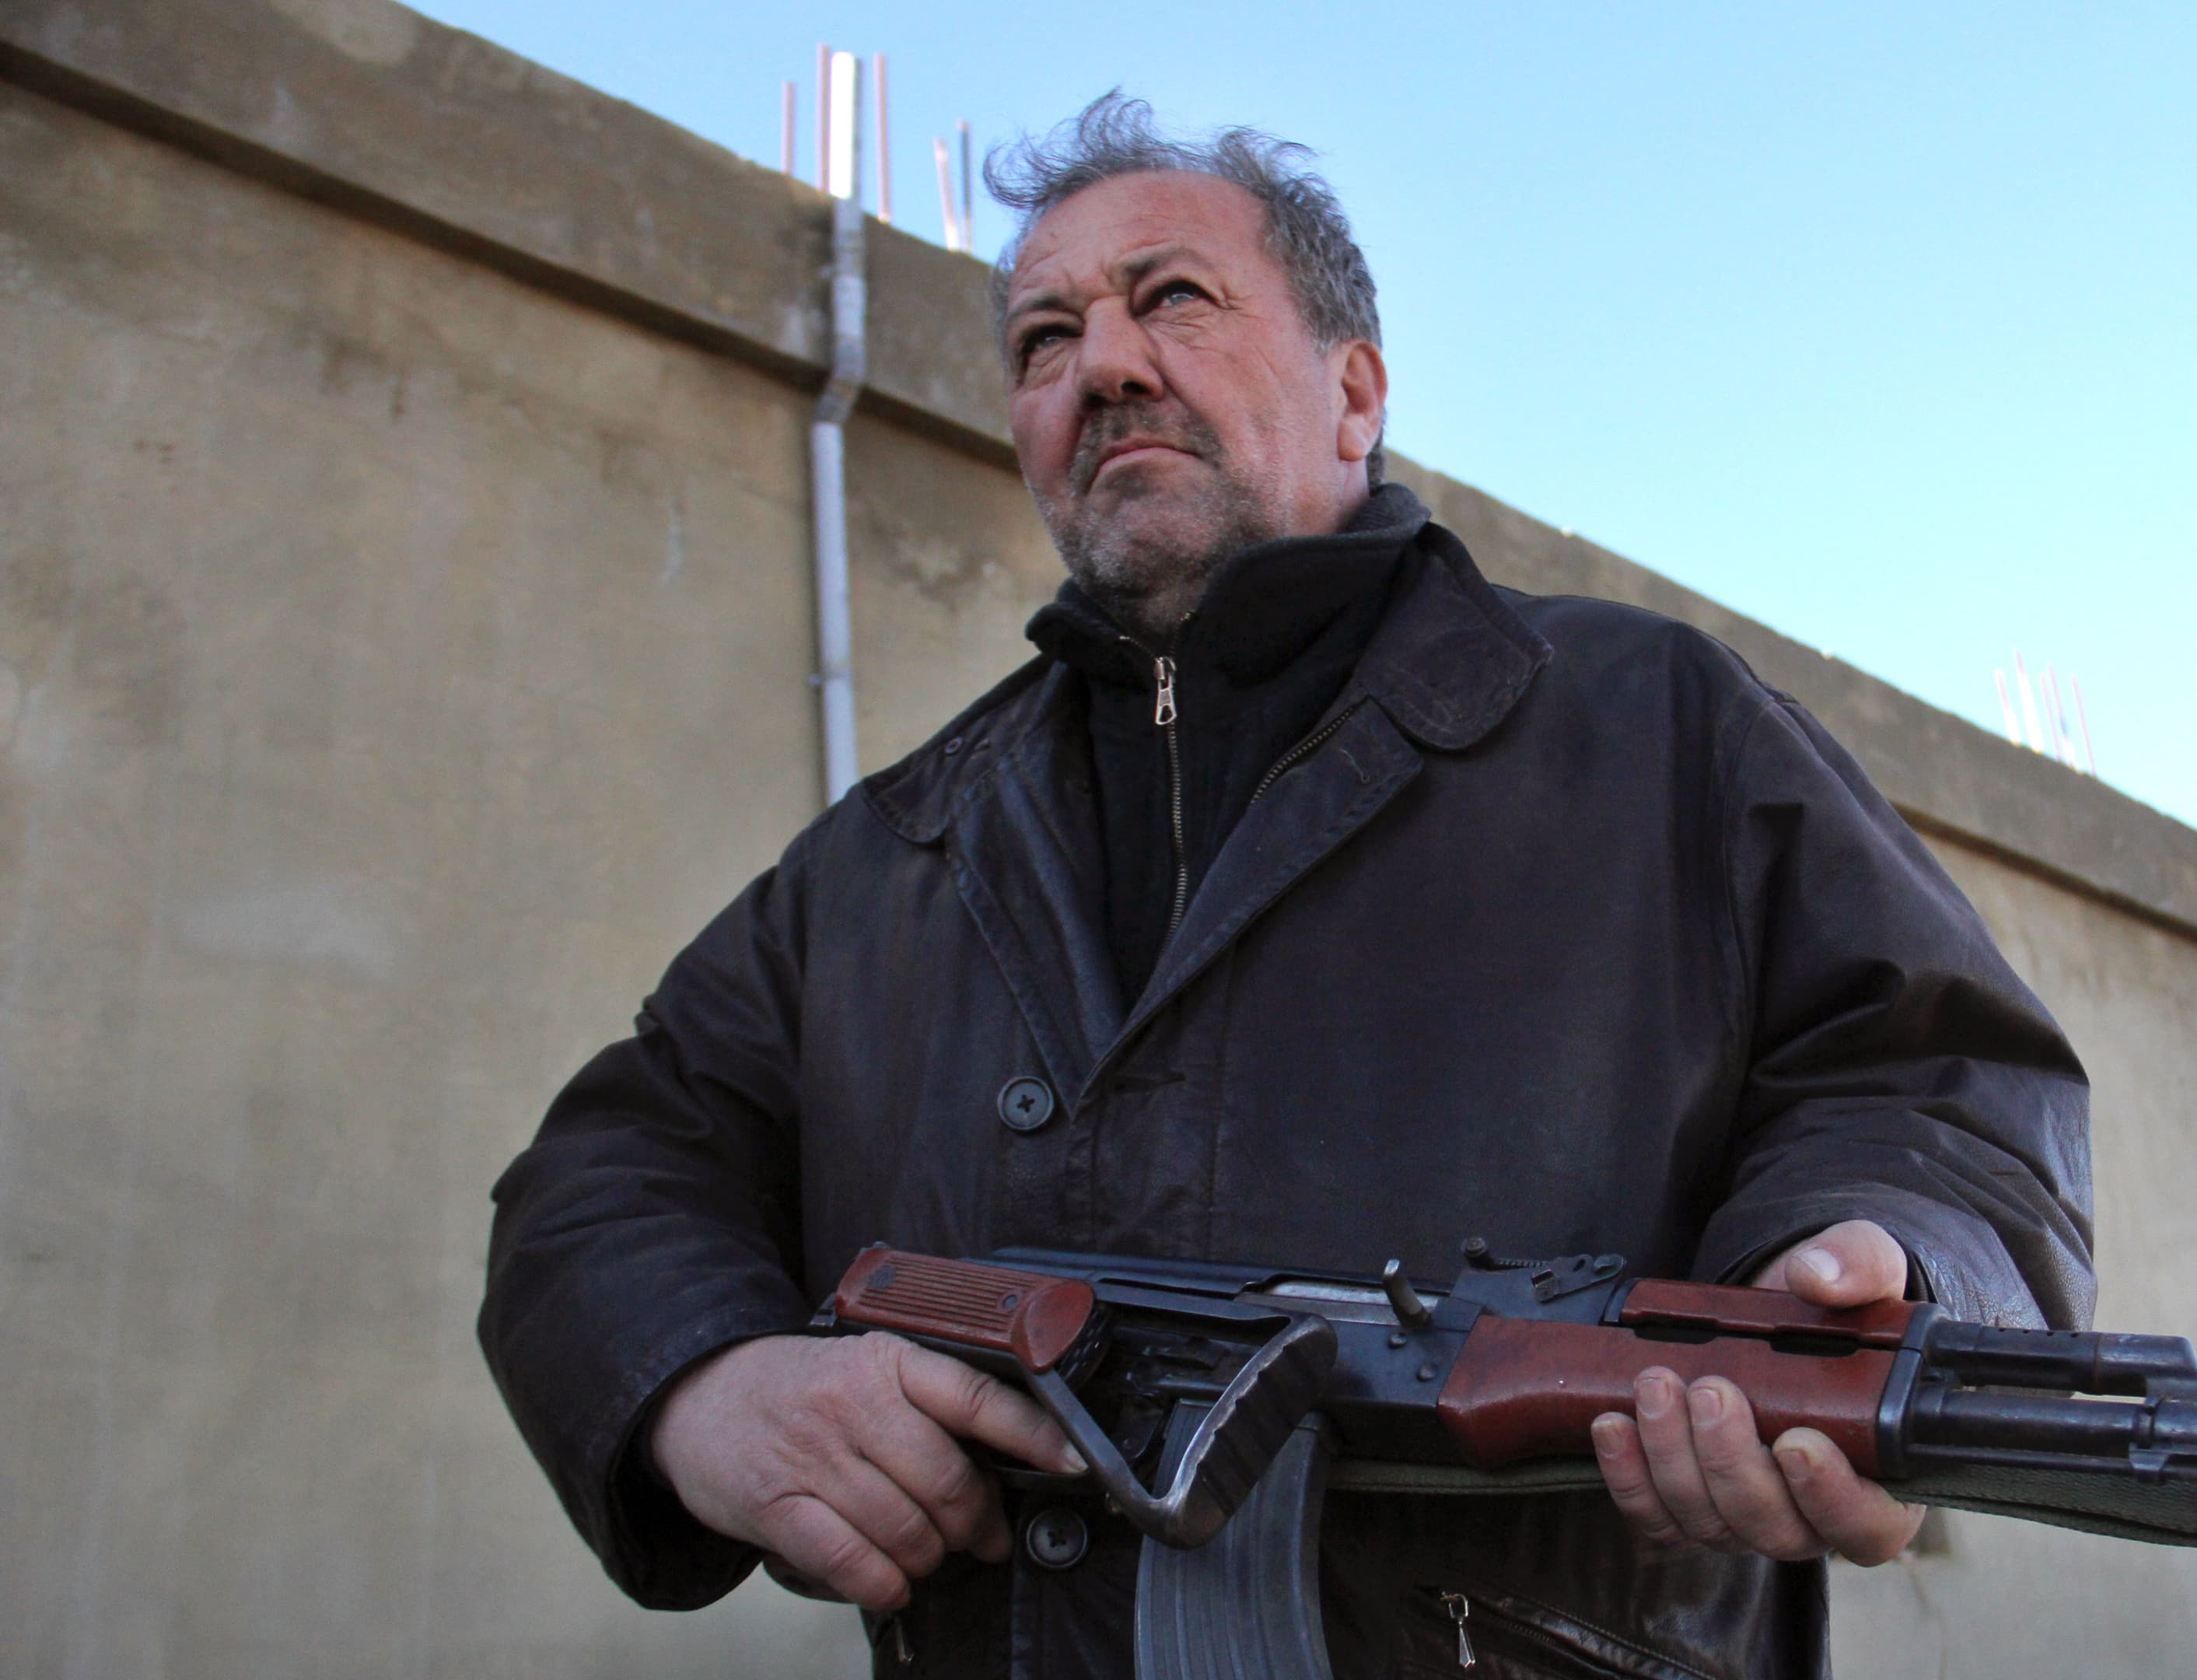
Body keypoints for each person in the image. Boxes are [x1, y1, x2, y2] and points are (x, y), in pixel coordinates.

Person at [480, 93, 2094, 1679]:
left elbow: (1940, 1087)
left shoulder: (1654, 728)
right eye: (1043, 343)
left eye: (1170, 298)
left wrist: (1865, 1258)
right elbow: (609, 1175)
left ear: (1355, 389)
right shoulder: (889, 857)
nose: (1102, 367)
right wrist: (704, 1385)